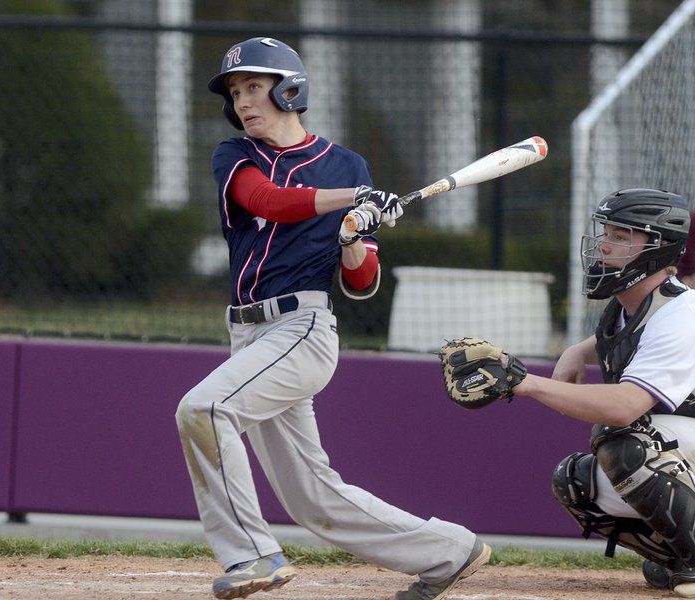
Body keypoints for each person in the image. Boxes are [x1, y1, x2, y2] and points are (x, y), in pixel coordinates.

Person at [176, 36, 490, 600]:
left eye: (254, 86)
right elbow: (270, 202)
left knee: (203, 408)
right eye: (235, 92)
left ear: (289, 88)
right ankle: (448, 550)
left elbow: (362, 282)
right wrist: (354, 198)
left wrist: (352, 239)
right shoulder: (235, 156)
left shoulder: (346, 163)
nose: (243, 101)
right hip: (248, 335)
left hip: (301, 330)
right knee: (312, 496)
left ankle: (251, 555)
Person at [508, 188, 695, 597]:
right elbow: (633, 337)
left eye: (623, 235)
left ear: (659, 248)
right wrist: (580, 349)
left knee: (622, 442)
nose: (605, 243)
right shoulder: (631, 307)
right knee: (576, 482)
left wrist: (529, 384)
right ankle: (681, 555)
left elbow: (626, 407)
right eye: (606, 230)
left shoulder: (684, 313)